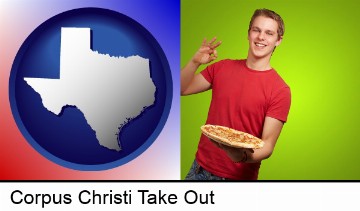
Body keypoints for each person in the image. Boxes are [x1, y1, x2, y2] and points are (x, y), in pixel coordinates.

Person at [181, 8, 291, 180]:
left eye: (269, 33)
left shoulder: (280, 90)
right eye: (256, 30)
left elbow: (268, 145)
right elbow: (182, 88)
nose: (261, 37)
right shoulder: (222, 67)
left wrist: (241, 156)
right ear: (248, 34)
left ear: (278, 40)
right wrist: (195, 61)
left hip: (237, 178)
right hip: (199, 169)